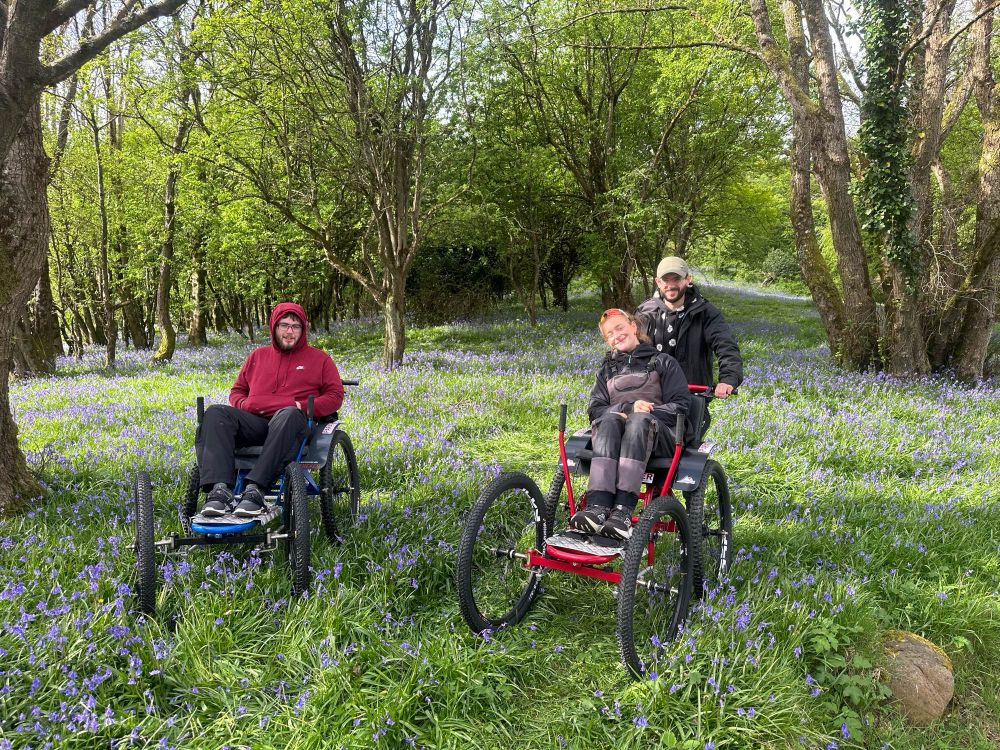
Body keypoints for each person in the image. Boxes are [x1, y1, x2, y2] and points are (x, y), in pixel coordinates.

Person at [196, 302, 344, 518]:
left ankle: (256, 490)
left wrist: (300, 406)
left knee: (288, 414)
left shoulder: (320, 359)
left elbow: (334, 396)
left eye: (296, 326)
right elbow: (238, 390)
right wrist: (243, 404)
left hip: (294, 424)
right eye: (284, 325)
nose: (289, 331)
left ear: (303, 330)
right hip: (256, 422)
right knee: (216, 413)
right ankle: (219, 491)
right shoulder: (257, 356)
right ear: (274, 327)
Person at [571, 308, 690, 541]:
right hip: (615, 435)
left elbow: (681, 406)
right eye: (609, 334)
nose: (616, 335)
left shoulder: (664, 362)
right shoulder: (606, 370)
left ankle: (623, 512)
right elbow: (595, 410)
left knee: (638, 420)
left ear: (633, 327)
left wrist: (648, 410)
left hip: (660, 436)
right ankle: (598, 507)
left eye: (620, 328)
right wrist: (625, 409)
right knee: (607, 420)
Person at [635, 256, 742, 400]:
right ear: (658, 282)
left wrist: (728, 379)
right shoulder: (645, 313)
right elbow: (629, 348)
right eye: (666, 280)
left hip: (691, 394)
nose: (671, 285)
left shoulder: (706, 312)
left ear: (688, 279)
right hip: (651, 392)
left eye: (676, 279)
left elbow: (726, 346)